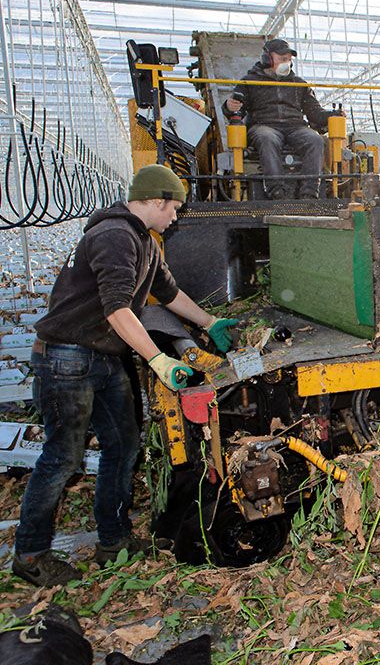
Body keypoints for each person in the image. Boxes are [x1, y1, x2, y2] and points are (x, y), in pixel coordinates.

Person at [12, 165, 240, 587]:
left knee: (124, 446)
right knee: (63, 457)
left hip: (102, 358)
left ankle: (113, 542)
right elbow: (118, 309)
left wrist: (210, 322)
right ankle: (30, 555)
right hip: (67, 358)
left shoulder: (144, 242)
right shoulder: (114, 236)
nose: (175, 217)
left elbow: (168, 294)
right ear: (155, 201)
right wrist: (158, 359)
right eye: (173, 208)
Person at [223, 38, 333, 199]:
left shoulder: (299, 84)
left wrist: (332, 116)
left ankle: (310, 192)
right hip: (264, 125)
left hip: (295, 127)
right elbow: (235, 108)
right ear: (267, 58)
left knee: (314, 139)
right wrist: (228, 107)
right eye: (282, 59)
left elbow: (314, 112)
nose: (286, 63)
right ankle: (277, 191)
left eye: (288, 60)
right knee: (266, 137)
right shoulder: (249, 82)